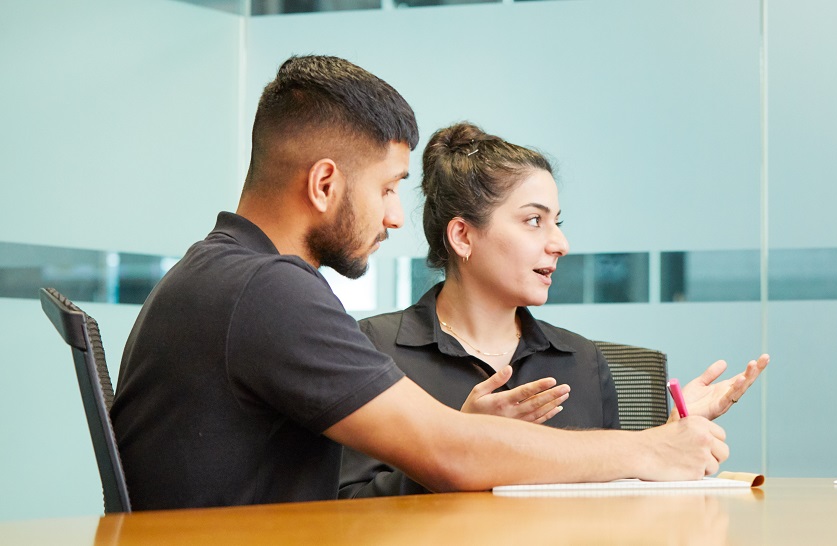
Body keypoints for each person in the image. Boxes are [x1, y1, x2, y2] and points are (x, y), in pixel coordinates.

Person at [110, 55, 728, 511]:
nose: (397, 215)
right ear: (324, 184)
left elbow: (445, 447)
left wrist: (468, 433)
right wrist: (652, 451)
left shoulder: (218, 272)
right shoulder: (266, 288)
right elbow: (449, 451)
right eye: (385, 188)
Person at [339, 122, 768, 498]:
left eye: (556, 222)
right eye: (533, 221)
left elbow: (614, 507)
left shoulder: (580, 360)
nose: (560, 244)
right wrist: (457, 442)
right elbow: (346, 510)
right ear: (463, 236)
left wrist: (668, 437)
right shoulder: (372, 349)